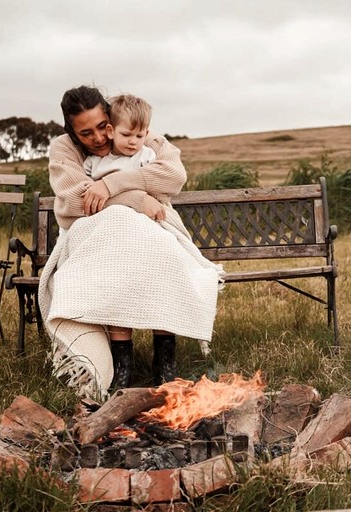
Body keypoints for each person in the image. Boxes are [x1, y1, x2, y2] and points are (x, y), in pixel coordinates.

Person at [38, 85, 223, 400]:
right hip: (96, 232)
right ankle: (119, 365)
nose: (98, 138)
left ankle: (165, 361)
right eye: (86, 133)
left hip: (147, 230)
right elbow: (74, 200)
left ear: (110, 119)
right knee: (112, 259)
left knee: (161, 253)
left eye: (101, 128)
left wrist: (111, 185)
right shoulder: (64, 148)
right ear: (71, 131)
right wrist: (137, 196)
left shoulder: (137, 135)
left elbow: (173, 176)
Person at [84, 94, 156, 181]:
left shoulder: (146, 157)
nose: (133, 141)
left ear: (146, 134)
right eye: (126, 135)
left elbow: (155, 184)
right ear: (110, 131)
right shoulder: (93, 163)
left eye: (139, 136)